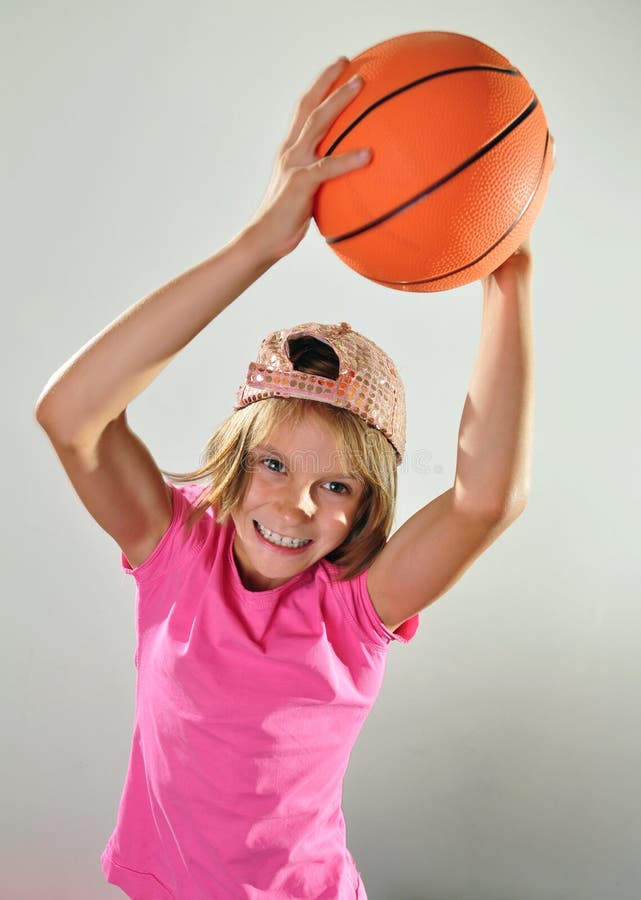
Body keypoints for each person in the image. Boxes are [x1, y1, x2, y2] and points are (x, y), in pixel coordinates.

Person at [35, 56, 538, 900]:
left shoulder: (353, 609)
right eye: (272, 463)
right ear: (235, 463)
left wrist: (508, 279)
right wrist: (261, 241)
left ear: (366, 510)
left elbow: (486, 499)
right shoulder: (175, 551)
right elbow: (71, 415)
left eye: (336, 487)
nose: (296, 502)